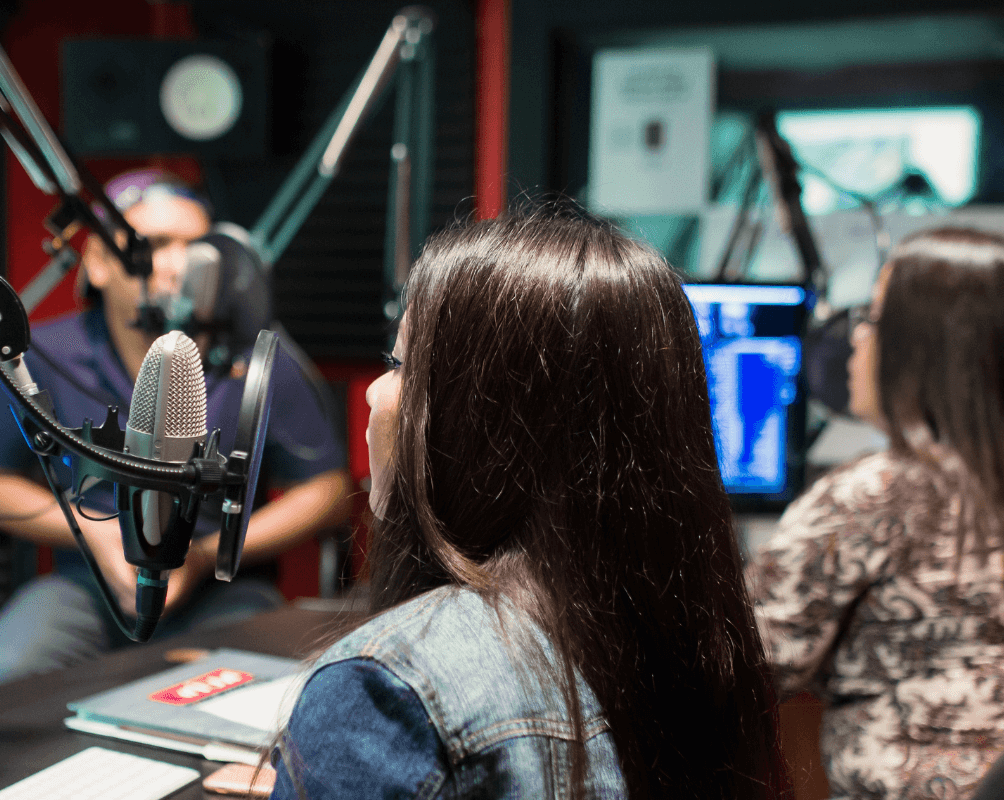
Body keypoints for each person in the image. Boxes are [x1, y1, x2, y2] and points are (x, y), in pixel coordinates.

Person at [271, 207, 784, 799]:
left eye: (401, 364)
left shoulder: (387, 692)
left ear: (488, 426)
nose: (377, 394)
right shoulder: (699, 645)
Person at [746, 228, 1004, 800]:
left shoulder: (878, 494)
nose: (854, 339)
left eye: (873, 319)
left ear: (926, 352)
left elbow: (729, 674)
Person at [0, 168, 351, 691]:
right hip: (92, 581)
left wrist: (201, 558)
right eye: (157, 244)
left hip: (221, 586)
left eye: (196, 246)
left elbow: (326, 491)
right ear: (97, 263)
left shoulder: (256, 357)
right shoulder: (47, 356)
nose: (179, 263)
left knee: (263, 691)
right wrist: (97, 536)